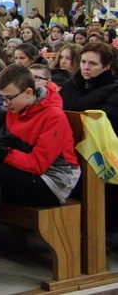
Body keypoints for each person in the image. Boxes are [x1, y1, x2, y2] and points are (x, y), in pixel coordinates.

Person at [0, 64, 80, 269]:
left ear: (27, 92)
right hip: (26, 172)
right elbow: (7, 144)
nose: (5, 104)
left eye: (8, 98)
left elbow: (38, 164)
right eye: (3, 98)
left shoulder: (53, 115)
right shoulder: (17, 108)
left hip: (52, 181)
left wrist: (2, 153)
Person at [59, 42, 118, 249]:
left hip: (100, 153)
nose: (86, 67)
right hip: (68, 149)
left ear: (106, 66)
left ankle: (106, 230)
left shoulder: (114, 89)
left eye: (93, 63)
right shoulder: (69, 85)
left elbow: (108, 122)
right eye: (83, 62)